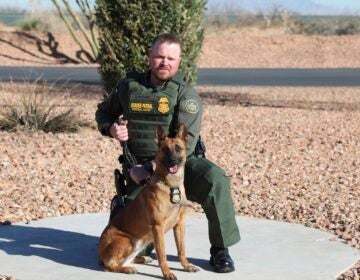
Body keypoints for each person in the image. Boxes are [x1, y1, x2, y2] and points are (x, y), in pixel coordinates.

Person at [95, 33, 240, 273]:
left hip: (180, 165)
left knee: (215, 179)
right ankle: (121, 211)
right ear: (149, 57)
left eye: (171, 58)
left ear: (179, 61)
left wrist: (152, 167)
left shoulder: (185, 95)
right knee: (135, 244)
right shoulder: (129, 86)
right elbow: (103, 112)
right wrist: (111, 128)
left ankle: (221, 249)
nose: (165, 62)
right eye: (160, 56)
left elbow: (187, 143)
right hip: (138, 173)